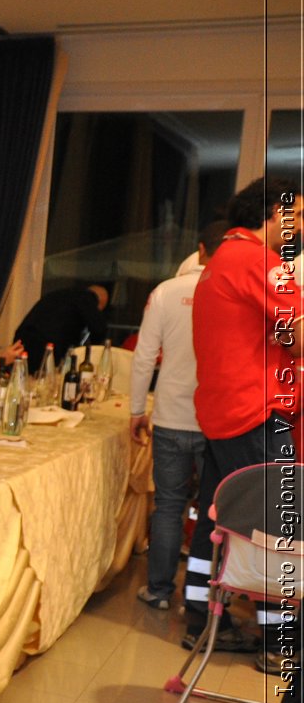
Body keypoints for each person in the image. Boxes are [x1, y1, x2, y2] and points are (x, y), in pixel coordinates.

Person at [183, 178, 301, 670]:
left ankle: (198, 618)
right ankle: (278, 643)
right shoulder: (261, 262)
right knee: (272, 524)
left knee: (212, 520)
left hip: (220, 410)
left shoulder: (219, 262)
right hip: (255, 411)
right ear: (274, 213)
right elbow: (296, 335)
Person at [129, 219, 226, 615]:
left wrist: (137, 410)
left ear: (200, 248)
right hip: (215, 419)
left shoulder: (166, 291)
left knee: (168, 505)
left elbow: (143, 357)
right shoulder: (232, 293)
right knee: (212, 513)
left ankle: (159, 590)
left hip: (170, 414)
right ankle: (200, 598)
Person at [12, 282, 110, 372]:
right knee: (42, 382)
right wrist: (93, 350)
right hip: (45, 346)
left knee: (20, 378)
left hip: (22, 338)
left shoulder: (63, 294)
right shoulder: (87, 298)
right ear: (99, 304)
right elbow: (99, 329)